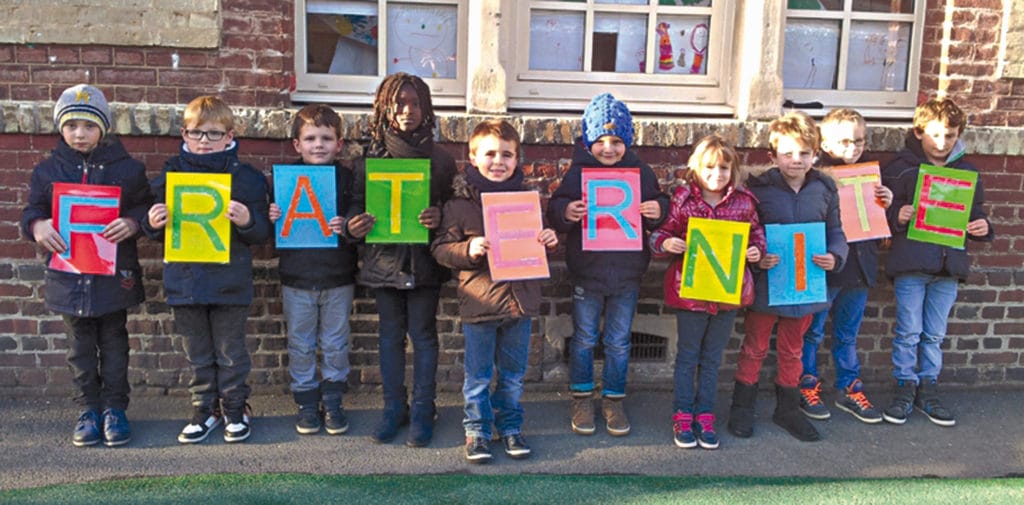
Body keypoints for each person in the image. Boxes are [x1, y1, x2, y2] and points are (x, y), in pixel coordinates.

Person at [21, 84, 152, 448]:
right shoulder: (48, 171)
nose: (80, 133)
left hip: (112, 275)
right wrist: (37, 225)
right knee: (79, 347)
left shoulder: (128, 170)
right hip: (69, 276)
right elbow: (32, 211)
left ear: (104, 129)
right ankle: (87, 410)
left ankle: (114, 409)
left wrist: (134, 223)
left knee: (114, 343)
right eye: (72, 125)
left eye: (90, 126)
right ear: (61, 128)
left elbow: (145, 207)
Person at [144, 95, 272, 444]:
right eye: (197, 133)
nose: (204, 141)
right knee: (197, 352)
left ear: (230, 136)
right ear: (184, 135)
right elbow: (153, 231)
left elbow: (262, 233)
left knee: (231, 352)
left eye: (214, 134)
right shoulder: (170, 175)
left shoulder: (247, 179)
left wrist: (247, 221)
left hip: (230, 281)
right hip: (185, 281)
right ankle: (204, 409)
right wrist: (152, 221)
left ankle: (234, 408)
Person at [431, 119, 559, 464]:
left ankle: (511, 427)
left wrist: (548, 239)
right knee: (478, 377)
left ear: (517, 160)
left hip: (521, 303)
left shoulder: (527, 200)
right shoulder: (458, 205)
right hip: (480, 304)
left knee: (514, 376)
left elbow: (538, 242)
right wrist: (468, 249)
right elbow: (441, 249)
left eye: (507, 154)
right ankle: (477, 431)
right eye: (490, 154)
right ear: (473, 158)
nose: (498, 161)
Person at [547, 93, 669, 437]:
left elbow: (660, 202)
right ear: (589, 142)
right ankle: (582, 396)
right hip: (588, 272)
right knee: (585, 339)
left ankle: (614, 399)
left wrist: (659, 210)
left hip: (628, 275)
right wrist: (565, 213)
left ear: (627, 141)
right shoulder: (578, 172)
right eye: (600, 141)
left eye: (616, 141)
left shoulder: (640, 172)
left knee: (618, 341)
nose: (609, 148)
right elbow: (556, 208)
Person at [348, 72, 456, 447]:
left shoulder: (441, 160)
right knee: (390, 337)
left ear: (426, 108)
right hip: (384, 262)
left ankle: (425, 409)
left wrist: (440, 214)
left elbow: (454, 209)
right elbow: (354, 208)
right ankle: (395, 408)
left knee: (424, 336)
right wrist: (353, 225)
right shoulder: (367, 159)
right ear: (384, 108)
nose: (407, 111)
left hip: (425, 262)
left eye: (415, 103)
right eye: (399, 104)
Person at [728, 111, 848, 442]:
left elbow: (836, 231)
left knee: (793, 349)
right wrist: (757, 259)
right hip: (770, 283)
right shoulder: (760, 189)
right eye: (788, 153)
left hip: (804, 284)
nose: (796, 160)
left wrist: (835, 256)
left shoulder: (824, 189)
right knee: (754, 345)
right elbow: (747, 232)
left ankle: (788, 409)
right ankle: (742, 407)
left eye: (805, 153)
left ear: (816, 154)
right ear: (773, 155)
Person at [880, 97, 993, 427]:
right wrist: (895, 214)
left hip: (949, 268)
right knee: (909, 331)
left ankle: (928, 386)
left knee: (934, 334)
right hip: (911, 264)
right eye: (936, 134)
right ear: (919, 132)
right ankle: (904, 386)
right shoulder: (900, 168)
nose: (943, 143)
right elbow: (879, 213)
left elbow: (976, 214)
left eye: (951, 135)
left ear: (960, 134)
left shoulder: (968, 172)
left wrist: (983, 228)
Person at [649, 135, 765, 450]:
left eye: (724, 168)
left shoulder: (744, 201)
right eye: (710, 167)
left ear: (734, 170)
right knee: (688, 357)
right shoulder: (683, 200)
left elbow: (757, 234)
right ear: (696, 168)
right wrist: (665, 243)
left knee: (712, 359)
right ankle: (683, 414)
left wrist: (756, 250)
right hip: (691, 294)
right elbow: (661, 232)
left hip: (727, 294)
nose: (717, 174)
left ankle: (705, 415)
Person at [269, 104, 358, 436]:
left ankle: (333, 400)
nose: (318, 145)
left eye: (326, 138)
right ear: (297, 144)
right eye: (310, 138)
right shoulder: (284, 181)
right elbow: (267, 232)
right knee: (300, 343)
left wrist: (348, 225)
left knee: (336, 342)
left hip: (338, 278)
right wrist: (273, 215)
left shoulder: (348, 179)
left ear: (339, 143)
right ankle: (306, 401)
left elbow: (359, 220)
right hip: (297, 278)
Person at [798, 108, 892, 424]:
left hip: (861, 268)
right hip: (827, 269)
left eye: (859, 141)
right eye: (844, 142)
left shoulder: (871, 176)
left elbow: (879, 227)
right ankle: (806, 384)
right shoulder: (818, 177)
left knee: (847, 334)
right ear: (825, 143)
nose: (853, 148)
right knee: (812, 332)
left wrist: (886, 204)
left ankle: (849, 388)